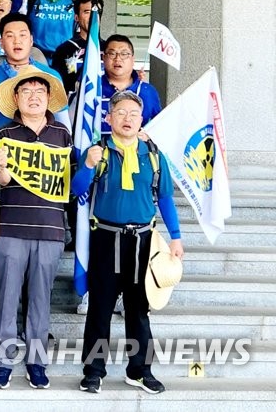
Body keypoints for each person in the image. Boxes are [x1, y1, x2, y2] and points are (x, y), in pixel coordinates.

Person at [71, 90, 184, 395]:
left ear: (141, 119)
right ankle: (93, 371)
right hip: (106, 238)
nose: (127, 119)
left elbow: (164, 198)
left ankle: (140, 370)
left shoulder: (153, 155)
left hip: (144, 241)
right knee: (100, 308)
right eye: (120, 112)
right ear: (109, 117)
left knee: (139, 309)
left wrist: (176, 237)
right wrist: (88, 167)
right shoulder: (99, 150)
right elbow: (76, 190)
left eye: (133, 114)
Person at [0, 67, 74, 390]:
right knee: (6, 298)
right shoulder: (4, 135)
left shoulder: (62, 135)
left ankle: (36, 363)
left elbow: (71, 181)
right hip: (11, 227)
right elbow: (1, 181)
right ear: (16, 99)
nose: (34, 96)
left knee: (41, 300)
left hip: (50, 229)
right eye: (27, 92)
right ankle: (2, 361)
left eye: (40, 91)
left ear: (49, 98)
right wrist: (2, 167)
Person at [0, 12, 69, 136]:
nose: (17, 41)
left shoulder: (50, 76)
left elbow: (64, 126)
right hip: (2, 149)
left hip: (42, 150)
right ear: (1, 43)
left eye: (22, 35)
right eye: (10, 36)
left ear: (31, 40)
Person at [101, 34, 163, 134]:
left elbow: (159, 127)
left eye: (124, 54)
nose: (118, 59)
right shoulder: (91, 88)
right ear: (104, 58)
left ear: (133, 59)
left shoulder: (148, 91)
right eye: (112, 54)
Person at [52, 0, 105, 97]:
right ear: (76, 17)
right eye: (87, 12)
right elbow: (56, 85)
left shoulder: (109, 48)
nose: (93, 16)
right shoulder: (64, 50)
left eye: (96, 12)